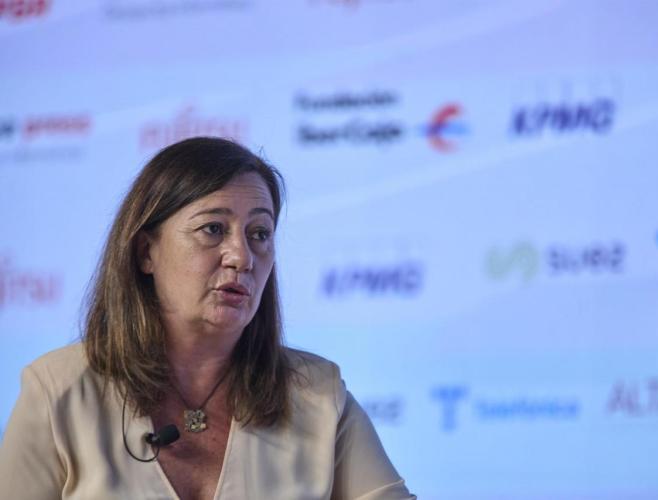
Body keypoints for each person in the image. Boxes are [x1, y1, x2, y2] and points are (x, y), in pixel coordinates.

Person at [0, 137, 415, 499]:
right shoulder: (57, 393)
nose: (242, 257)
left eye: (259, 234)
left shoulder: (319, 395)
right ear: (146, 253)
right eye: (213, 229)